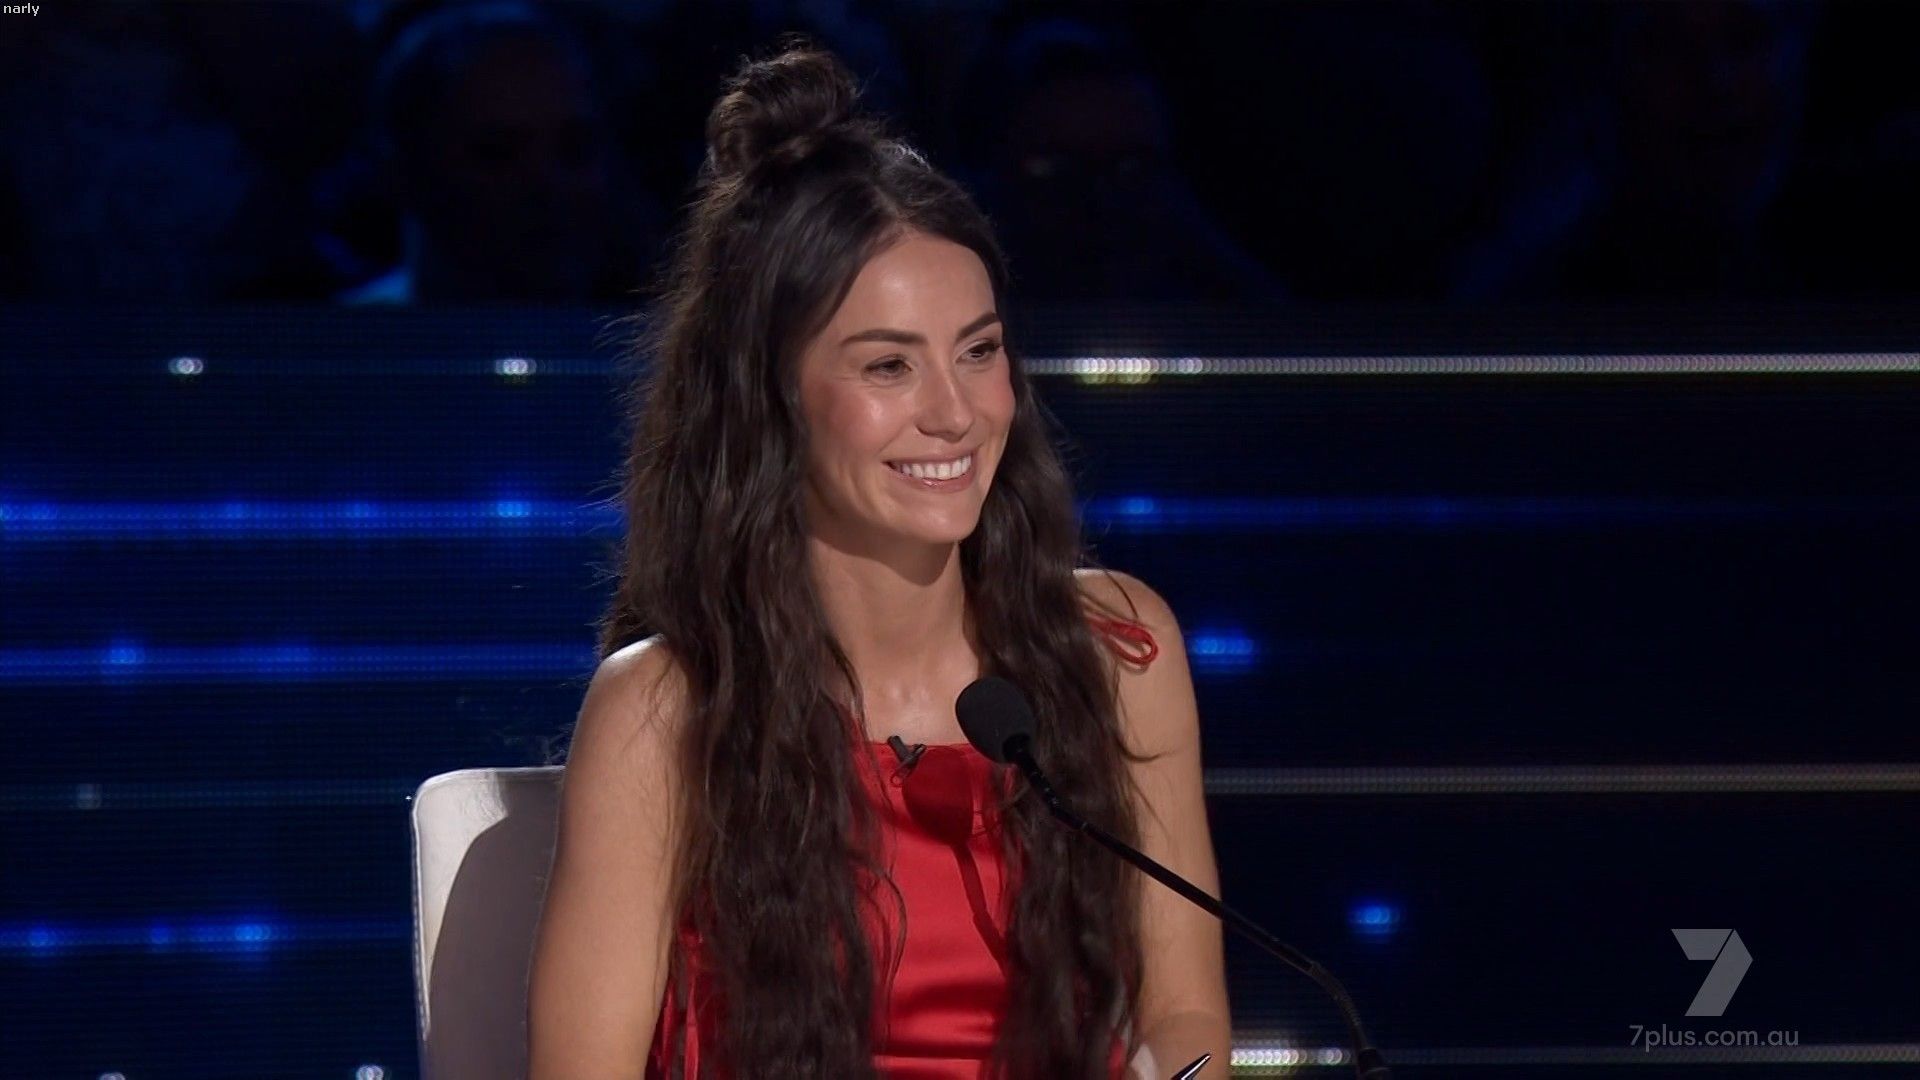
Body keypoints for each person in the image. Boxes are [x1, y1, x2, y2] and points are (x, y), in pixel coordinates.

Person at [528, 40, 1230, 1079]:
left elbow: (1185, 1014)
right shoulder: (667, 710)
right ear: (770, 401)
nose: (955, 413)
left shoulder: (1118, 649)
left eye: (979, 351)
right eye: (890, 366)